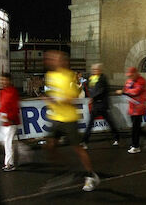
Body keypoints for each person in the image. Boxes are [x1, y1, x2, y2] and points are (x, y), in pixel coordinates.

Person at [43, 50, 99, 191]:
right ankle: (66, 168)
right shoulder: (49, 75)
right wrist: (48, 98)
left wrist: (57, 99)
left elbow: (72, 98)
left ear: (62, 61)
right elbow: (49, 93)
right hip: (56, 118)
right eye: (49, 58)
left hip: (69, 119)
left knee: (78, 148)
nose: (51, 60)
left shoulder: (70, 76)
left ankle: (91, 176)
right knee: (49, 146)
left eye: (54, 58)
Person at [80, 63, 120, 149]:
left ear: (99, 70)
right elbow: (89, 88)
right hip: (96, 104)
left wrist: (92, 97)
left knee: (109, 122)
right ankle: (84, 141)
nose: (93, 71)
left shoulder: (103, 78)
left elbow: (100, 91)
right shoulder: (91, 78)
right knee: (91, 123)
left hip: (102, 104)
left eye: (95, 69)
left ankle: (116, 137)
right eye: (93, 69)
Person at [116, 67, 146, 154]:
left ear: (135, 73)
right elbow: (126, 89)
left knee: (135, 127)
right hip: (132, 107)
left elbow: (136, 92)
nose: (130, 77)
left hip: (139, 107)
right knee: (136, 127)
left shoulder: (141, 81)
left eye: (131, 75)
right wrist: (126, 91)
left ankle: (136, 146)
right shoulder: (129, 81)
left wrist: (125, 92)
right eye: (129, 75)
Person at [0, 73, 20, 171]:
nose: (3, 82)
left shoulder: (13, 92)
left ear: (9, 81)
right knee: (5, 141)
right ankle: (24, 153)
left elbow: (15, 107)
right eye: (1, 80)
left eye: (4, 80)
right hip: (4, 121)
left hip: (11, 122)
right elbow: (2, 106)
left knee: (7, 142)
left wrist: (11, 118)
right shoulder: (2, 92)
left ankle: (9, 164)